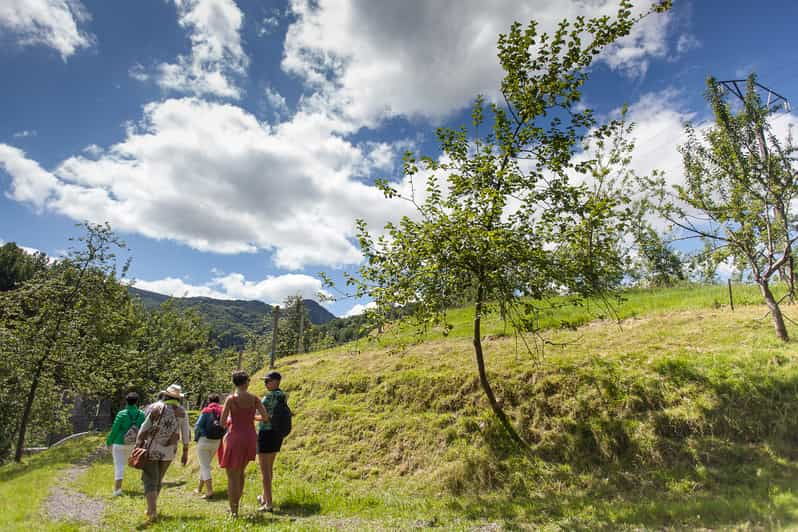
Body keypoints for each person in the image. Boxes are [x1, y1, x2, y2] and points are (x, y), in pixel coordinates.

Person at [135, 384, 191, 523]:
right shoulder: (182, 412)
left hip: (152, 448)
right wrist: (185, 451)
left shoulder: (157, 408)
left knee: (149, 479)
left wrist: (138, 444)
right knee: (158, 479)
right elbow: (186, 432)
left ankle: (152, 511)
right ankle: (151, 509)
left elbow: (144, 427)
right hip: (169, 450)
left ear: (165, 395)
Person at [218, 370, 269, 517]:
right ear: (246, 382)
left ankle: (234, 511)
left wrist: (232, 421)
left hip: (235, 437)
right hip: (250, 437)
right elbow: (265, 417)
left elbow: (222, 422)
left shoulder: (231, 399)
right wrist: (251, 417)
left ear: (235, 383)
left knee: (232, 474)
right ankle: (235, 506)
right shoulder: (254, 399)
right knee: (240, 472)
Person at [256, 371, 286, 512]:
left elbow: (265, 417)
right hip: (277, 434)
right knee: (269, 468)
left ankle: (268, 503)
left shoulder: (268, 397)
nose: (266, 383)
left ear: (275, 381)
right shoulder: (282, 395)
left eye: (268, 381)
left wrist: (253, 417)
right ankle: (264, 496)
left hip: (266, 433)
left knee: (264, 471)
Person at [105, 391, 145, 496]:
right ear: (137, 401)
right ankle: (146, 485)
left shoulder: (121, 414)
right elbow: (143, 429)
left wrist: (109, 442)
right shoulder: (141, 414)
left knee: (119, 465)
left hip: (119, 443)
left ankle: (117, 490)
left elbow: (114, 430)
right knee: (137, 464)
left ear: (126, 401)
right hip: (133, 444)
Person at [194, 393, 224, 499]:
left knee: (204, 466)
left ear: (209, 401)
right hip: (216, 442)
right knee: (206, 464)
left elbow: (197, 425)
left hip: (204, 440)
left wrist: (202, 434)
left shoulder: (206, 410)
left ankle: (210, 491)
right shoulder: (223, 411)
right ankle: (199, 488)